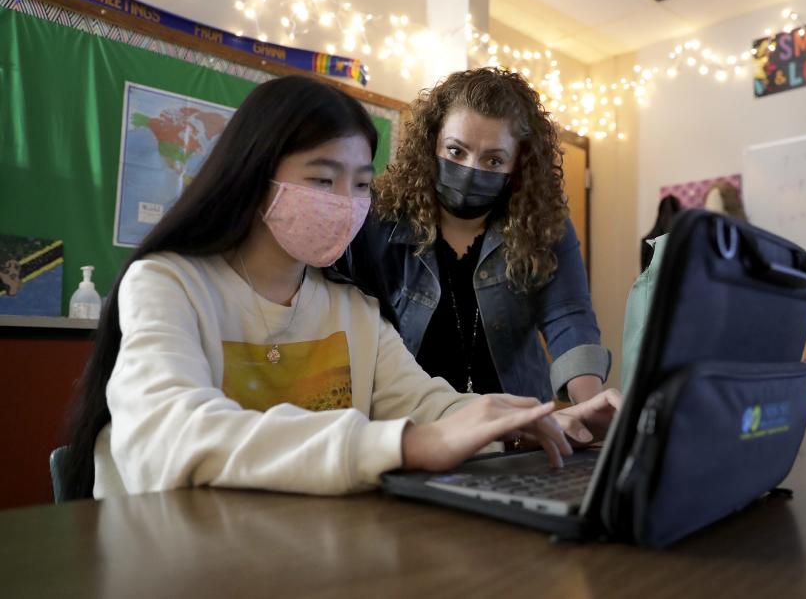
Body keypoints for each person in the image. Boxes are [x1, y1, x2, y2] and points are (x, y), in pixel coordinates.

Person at [60, 75, 621, 500]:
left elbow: (428, 402)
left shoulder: (350, 307)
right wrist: (404, 444)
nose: (348, 206)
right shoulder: (167, 285)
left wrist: (533, 424)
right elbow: (169, 438)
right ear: (254, 176)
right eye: (323, 180)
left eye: (359, 184)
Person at [352, 67, 610, 404]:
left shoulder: (544, 222)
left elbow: (568, 314)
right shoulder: (380, 219)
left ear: (518, 163)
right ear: (432, 142)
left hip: (518, 427)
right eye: (456, 152)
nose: (472, 170)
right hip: (413, 422)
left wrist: (590, 404)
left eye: (493, 160)